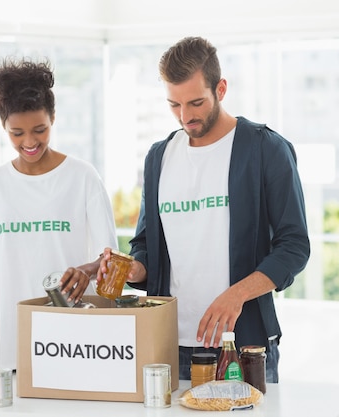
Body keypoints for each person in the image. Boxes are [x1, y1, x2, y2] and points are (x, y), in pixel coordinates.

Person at [99, 36, 310, 382]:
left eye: (196, 103)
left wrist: (236, 295)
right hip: (168, 346)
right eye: (174, 105)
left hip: (242, 349)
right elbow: (148, 247)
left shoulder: (265, 149)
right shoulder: (159, 157)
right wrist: (132, 270)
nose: (186, 117)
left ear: (221, 89)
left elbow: (294, 247)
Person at [0, 58, 118, 371]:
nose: (29, 142)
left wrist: (87, 268)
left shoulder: (83, 177)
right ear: (3, 126)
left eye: (39, 130)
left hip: (75, 343)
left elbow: (110, 259)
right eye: (17, 133)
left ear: (53, 118)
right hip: (10, 345)